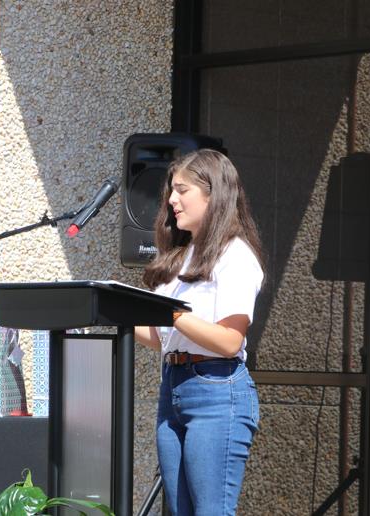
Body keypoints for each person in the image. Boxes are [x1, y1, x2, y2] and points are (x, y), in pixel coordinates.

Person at [135, 149, 265, 516]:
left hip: (216, 391)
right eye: (171, 192)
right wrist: (113, 313)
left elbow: (229, 341)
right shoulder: (182, 256)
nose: (172, 200)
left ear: (213, 193)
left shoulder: (235, 255)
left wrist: (173, 315)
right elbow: (161, 337)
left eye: (182, 190)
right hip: (173, 386)